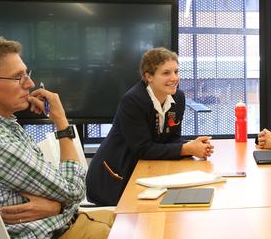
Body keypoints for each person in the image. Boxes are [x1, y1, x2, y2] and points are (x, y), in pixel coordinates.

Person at [0, 36, 114, 239]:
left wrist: (57, 205)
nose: (29, 83)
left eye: (26, 73)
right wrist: (62, 123)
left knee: (132, 223)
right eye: (18, 77)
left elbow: (65, 192)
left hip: (57, 233)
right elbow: (74, 191)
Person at [86, 47, 214, 206]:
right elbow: (142, 149)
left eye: (176, 71)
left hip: (145, 171)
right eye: (166, 73)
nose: (174, 78)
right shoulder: (132, 101)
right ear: (149, 77)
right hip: (116, 178)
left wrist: (193, 145)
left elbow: (172, 138)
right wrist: (186, 149)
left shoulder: (178, 98)